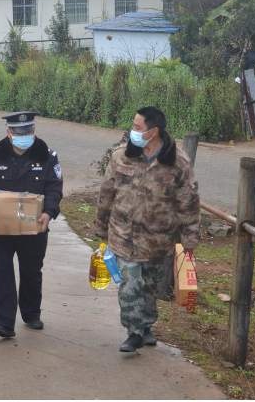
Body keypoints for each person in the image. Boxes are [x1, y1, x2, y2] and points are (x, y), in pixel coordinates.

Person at [94, 106, 200, 352]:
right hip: (124, 236)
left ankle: (146, 325)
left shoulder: (178, 162)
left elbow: (188, 202)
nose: (133, 131)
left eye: (138, 127)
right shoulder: (121, 156)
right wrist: (100, 226)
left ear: (153, 132)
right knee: (130, 284)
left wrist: (189, 240)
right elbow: (107, 192)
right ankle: (134, 331)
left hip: (158, 240)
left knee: (150, 286)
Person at [0, 111, 63, 339]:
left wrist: (49, 212)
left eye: (28, 132)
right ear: (9, 133)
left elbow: (54, 188)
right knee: (1, 271)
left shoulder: (48, 156)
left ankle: (31, 313)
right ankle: (3, 322)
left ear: (33, 131)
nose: (24, 136)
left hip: (34, 228)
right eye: (19, 132)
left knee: (31, 271)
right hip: (0, 229)